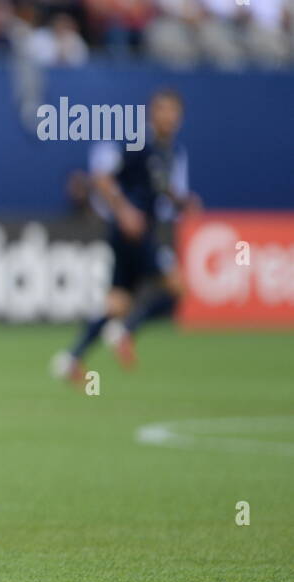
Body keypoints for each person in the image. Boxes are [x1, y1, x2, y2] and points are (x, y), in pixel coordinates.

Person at [52, 88, 198, 380]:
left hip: (137, 230)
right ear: (151, 113)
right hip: (132, 231)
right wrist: (124, 212)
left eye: (173, 112)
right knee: (178, 288)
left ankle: (70, 359)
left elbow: (161, 186)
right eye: (162, 110)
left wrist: (181, 200)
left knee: (117, 303)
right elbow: (103, 179)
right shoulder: (138, 144)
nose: (168, 117)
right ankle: (126, 331)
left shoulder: (168, 151)